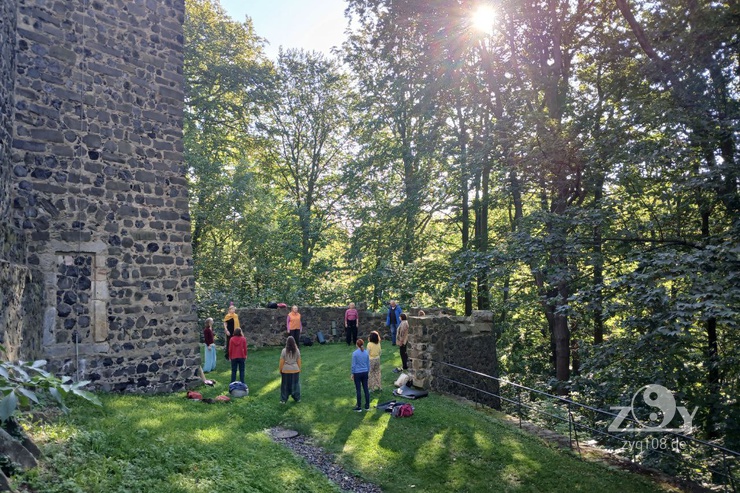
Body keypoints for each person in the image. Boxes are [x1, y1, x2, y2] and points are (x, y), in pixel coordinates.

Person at [279, 336, 302, 403]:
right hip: (295, 370)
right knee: (295, 385)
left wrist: (280, 369)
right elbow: (299, 361)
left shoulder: (284, 351)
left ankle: (283, 399)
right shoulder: (297, 350)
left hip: (286, 370)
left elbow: (281, 362)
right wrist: (299, 369)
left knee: (285, 385)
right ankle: (297, 398)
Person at [351, 339, 371, 412]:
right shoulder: (366, 353)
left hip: (357, 373)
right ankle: (367, 406)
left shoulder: (355, 353)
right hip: (365, 372)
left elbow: (353, 365)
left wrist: (352, 373)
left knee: (358, 390)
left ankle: (359, 407)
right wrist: (368, 371)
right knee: (366, 389)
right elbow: (368, 363)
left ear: (357, 345)